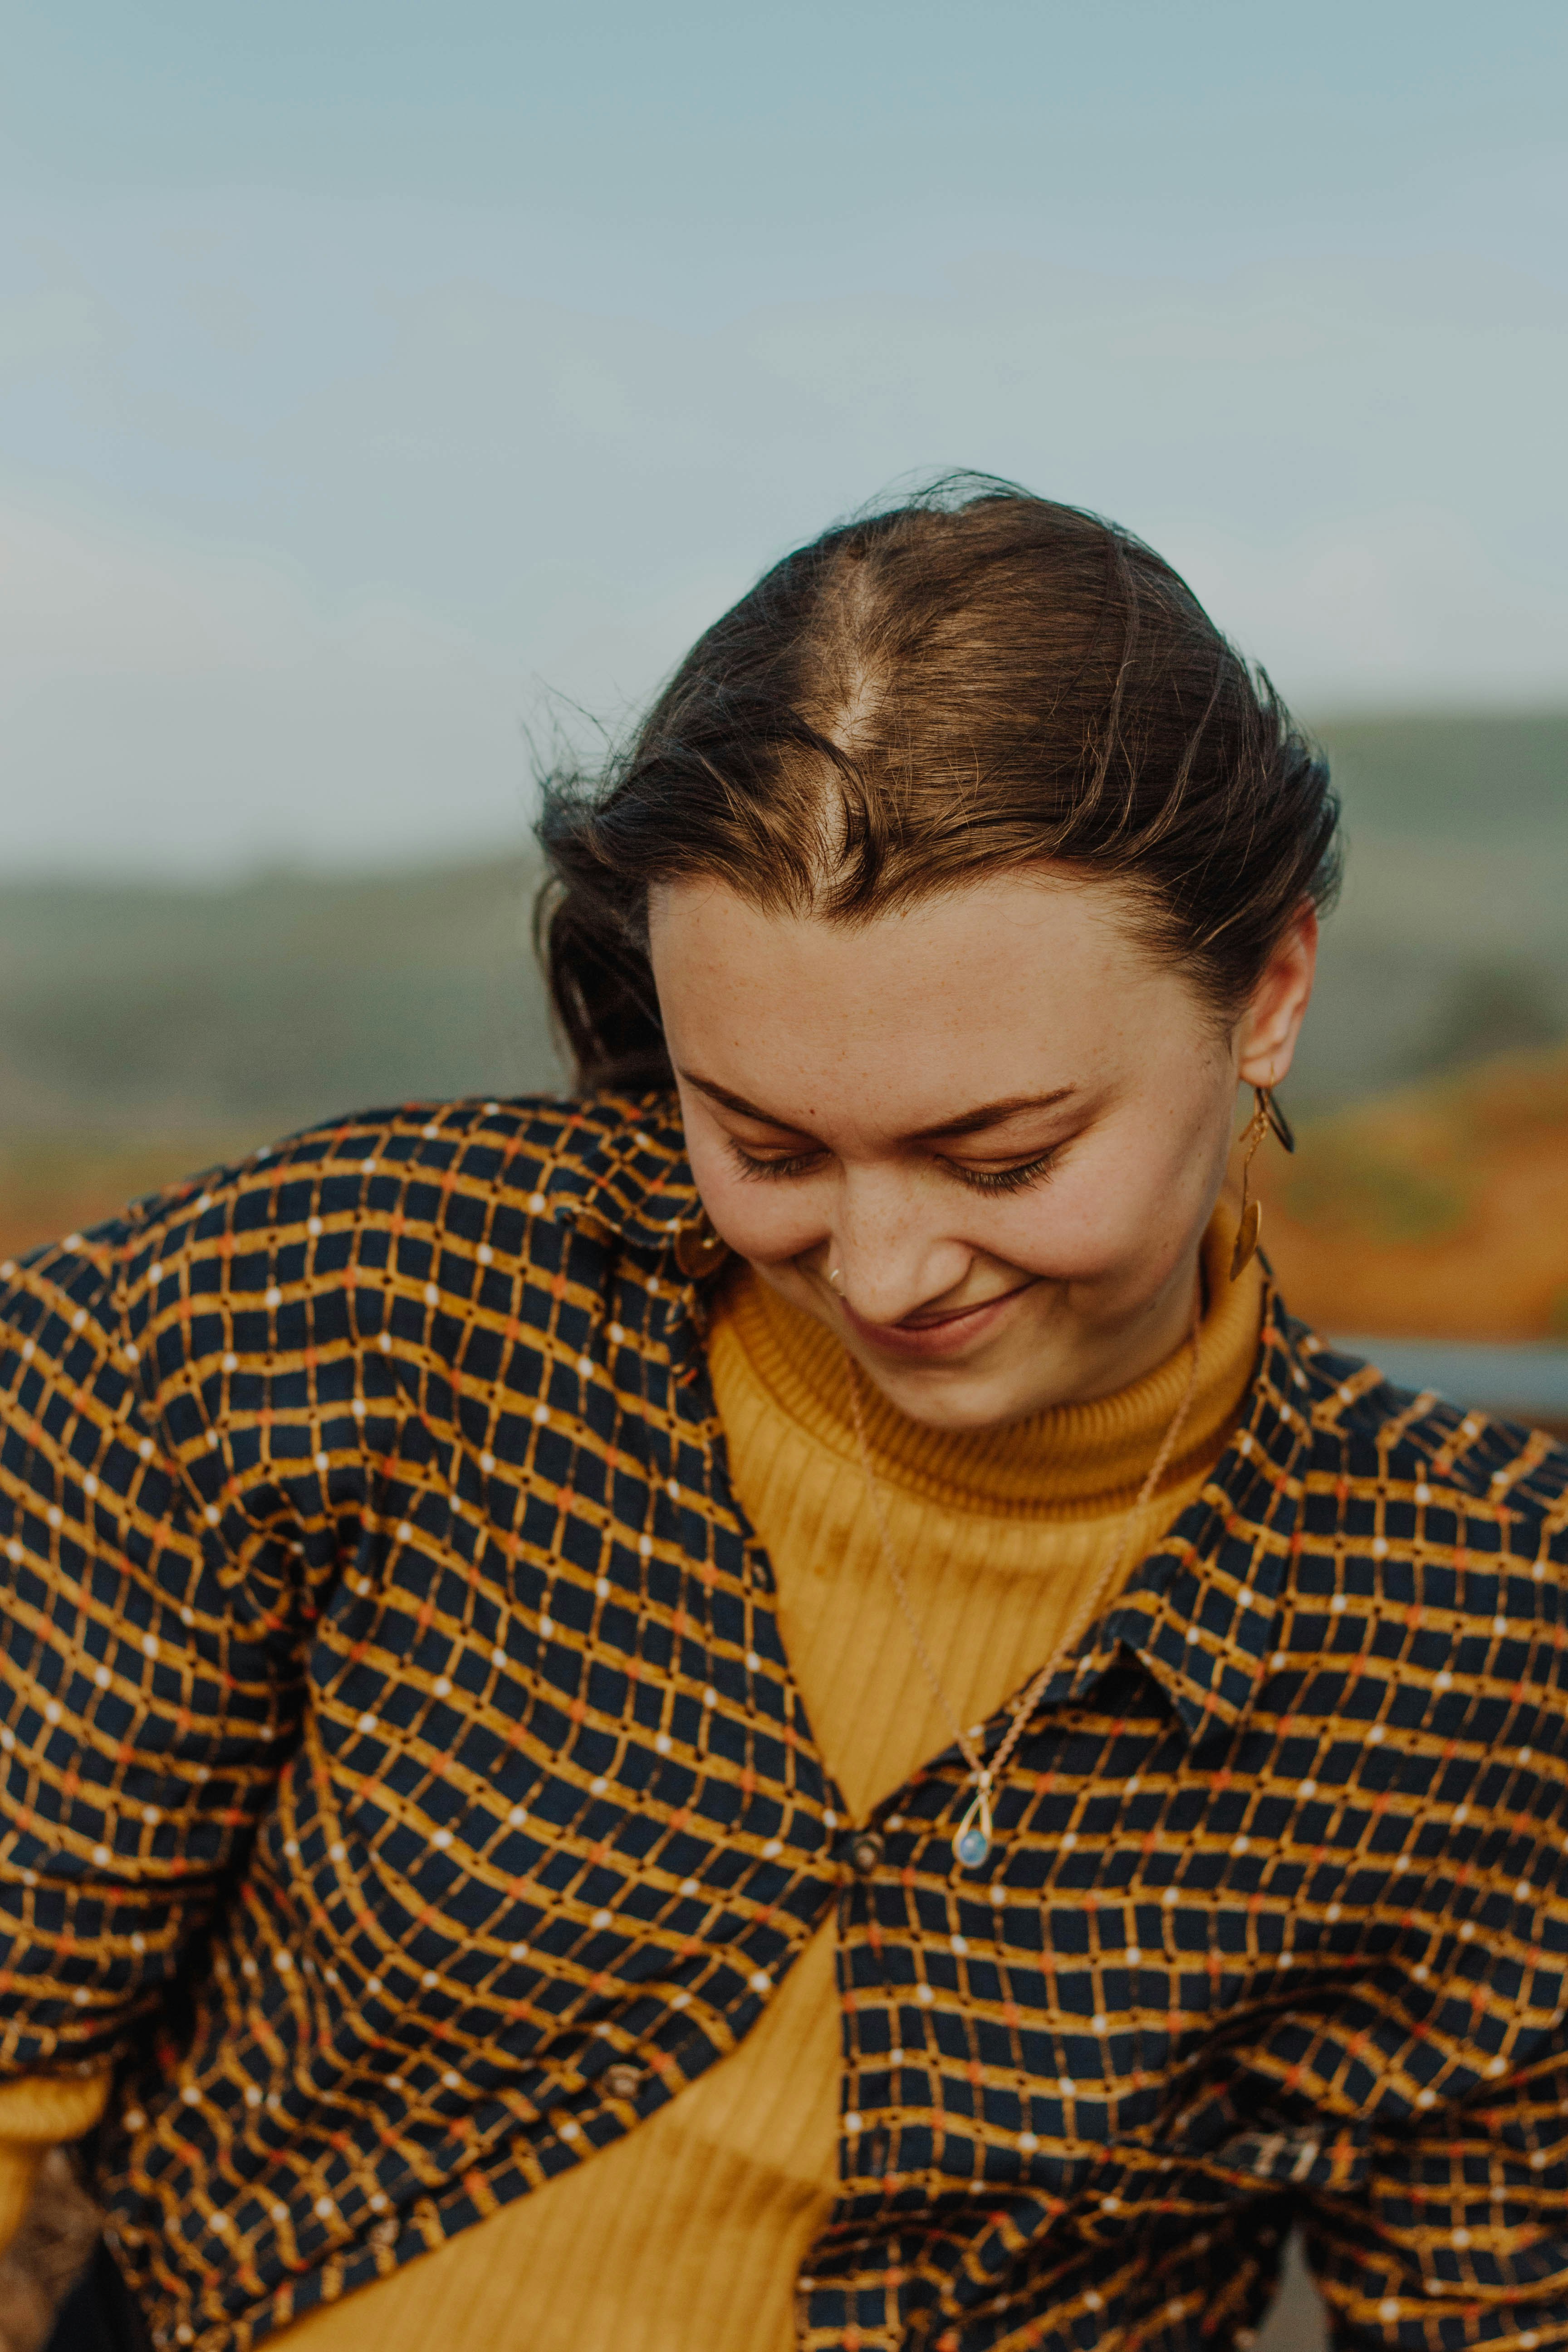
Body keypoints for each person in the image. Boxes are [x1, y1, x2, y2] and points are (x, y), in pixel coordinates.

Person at [2, 479, 1565, 2352]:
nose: (889, 1270)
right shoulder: (334, 1305)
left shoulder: (1486, 1629)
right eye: (765, 1144)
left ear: (1270, 992)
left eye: (1004, 1152)